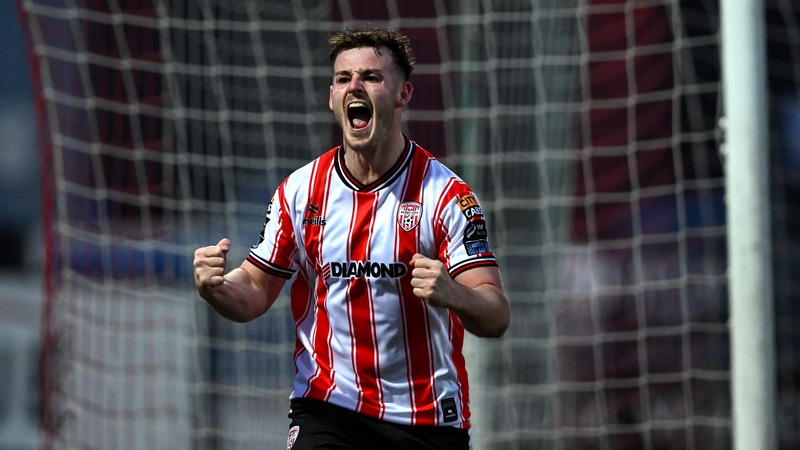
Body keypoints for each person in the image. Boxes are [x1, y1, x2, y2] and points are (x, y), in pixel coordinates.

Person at [193, 26, 510, 450]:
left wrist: (454, 293)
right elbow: (252, 289)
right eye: (343, 78)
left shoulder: (447, 195)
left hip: (426, 417)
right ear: (331, 98)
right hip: (327, 406)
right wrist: (214, 287)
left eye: (371, 77)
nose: (354, 86)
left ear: (403, 94)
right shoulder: (300, 191)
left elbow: (496, 314)